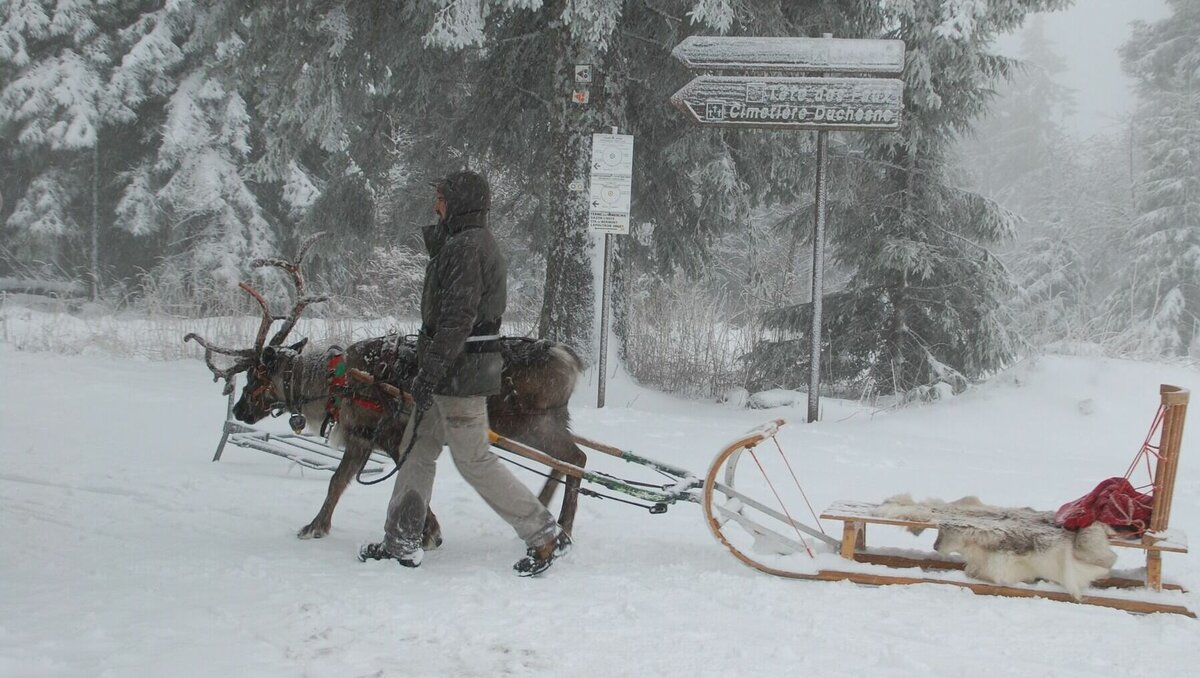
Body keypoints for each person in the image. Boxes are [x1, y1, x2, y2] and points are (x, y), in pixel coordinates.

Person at [358, 169, 570, 576]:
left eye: (441, 197)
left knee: (473, 460)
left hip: (460, 374)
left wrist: (430, 371)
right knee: (415, 450)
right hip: (451, 372)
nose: (435, 203)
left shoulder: (467, 248)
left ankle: (544, 534)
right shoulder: (461, 243)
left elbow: (456, 320)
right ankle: (401, 541)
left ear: (460, 203)